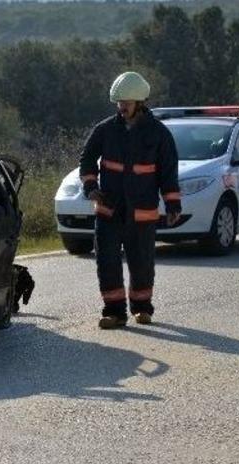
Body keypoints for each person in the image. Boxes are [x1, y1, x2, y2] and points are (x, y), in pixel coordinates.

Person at [79, 71, 181, 329]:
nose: (121, 106)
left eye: (126, 102)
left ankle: (142, 308)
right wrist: (91, 187)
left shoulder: (159, 134)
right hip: (109, 210)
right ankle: (114, 312)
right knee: (107, 262)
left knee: (142, 262)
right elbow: (87, 160)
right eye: (118, 102)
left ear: (140, 102)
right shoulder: (104, 130)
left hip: (142, 212)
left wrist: (172, 205)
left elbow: (168, 172)